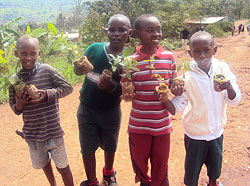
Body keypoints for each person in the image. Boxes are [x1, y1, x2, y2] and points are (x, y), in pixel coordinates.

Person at [155, 31, 241, 186]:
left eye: (206, 50)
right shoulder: (187, 77)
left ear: (214, 50)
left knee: (215, 166)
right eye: (197, 51)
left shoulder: (222, 69)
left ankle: (213, 183)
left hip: (217, 131)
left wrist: (228, 87)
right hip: (195, 134)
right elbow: (176, 107)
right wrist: (164, 99)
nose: (202, 55)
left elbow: (234, 100)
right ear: (190, 53)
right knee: (192, 170)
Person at [121, 14, 178, 186]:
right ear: (137, 34)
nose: (156, 34)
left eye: (158, 30)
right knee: (139, 161)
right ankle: (145, 182)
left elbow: (174, 83)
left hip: (162, 125)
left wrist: (177, 86)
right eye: (150, 30)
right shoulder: (129, 62)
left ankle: (160, 183)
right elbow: (126, 89)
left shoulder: (169, 57)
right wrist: (127, 94)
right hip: (138, 125)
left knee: (161, 163)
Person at [9, 35, 74, 186]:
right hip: (33, 134)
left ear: (39, 53)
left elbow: (67, 88)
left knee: (63, 168)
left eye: (33, 53)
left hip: (53, 131)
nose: (28, 57)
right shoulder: (14, 80)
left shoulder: (47, 70)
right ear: (16, 53)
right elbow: (15, 108)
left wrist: (47, 95)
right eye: (23, 53)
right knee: (45, 165)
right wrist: (20, 105)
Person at [74, 14, 132, 186]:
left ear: (129, 32)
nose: (116, 34)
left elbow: (127, 89)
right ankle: (91, 181)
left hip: (111, 110)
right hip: (86, 108)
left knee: (110, 144)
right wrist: (78, 68)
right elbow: (79, 71)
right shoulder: (94, 49)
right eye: (112, 30)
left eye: (121, 30)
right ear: (106, 32)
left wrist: (111, 87)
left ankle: (108, 172)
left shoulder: (129, 60)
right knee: (87, 147)